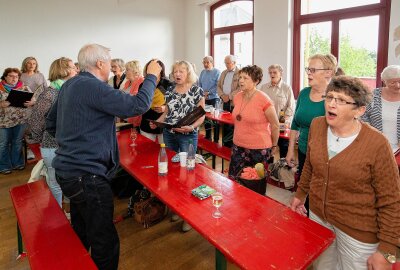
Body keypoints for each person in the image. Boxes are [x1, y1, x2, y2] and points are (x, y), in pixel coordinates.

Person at [46, 43, 161, 270]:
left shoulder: (70, 85)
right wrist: (151, 77)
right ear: (99, 63)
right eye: (108, 62)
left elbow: (51, 123)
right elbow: (137, 105)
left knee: (82, 230)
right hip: (87, 177)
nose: (110, 66)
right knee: (104, 240)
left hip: (68, 172)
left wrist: (77, 140)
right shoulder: (94, 86)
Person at [290, 76, 400, 270]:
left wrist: (387, 249)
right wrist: (301, 194)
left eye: (341, 100)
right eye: (330, 97)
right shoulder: (317, 125)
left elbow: (391, 200)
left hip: (358, 232)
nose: (331, 104)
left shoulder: (377, 144)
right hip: (319, 219)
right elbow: (310, 166)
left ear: (359, 110)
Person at [151, 60, 205, 232]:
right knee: (172, 173)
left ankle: (188, 214)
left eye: (181, 71)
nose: (177, 74)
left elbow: (201, 115)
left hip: (187, 135)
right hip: (169, 134)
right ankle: (177, 208)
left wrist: (192, 127)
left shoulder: (197, 90)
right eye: (175, 71)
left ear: (188, 72)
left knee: (187, 174)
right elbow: (167, 112)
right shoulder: (170, 90)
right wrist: (157, 122)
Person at [285, 54, 337, 214]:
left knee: (321, 193)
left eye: (313, 70)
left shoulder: (335, 97)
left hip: (326, 155)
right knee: (303, 189)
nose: (309, 73)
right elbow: (295, 122)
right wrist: (290, 150)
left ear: (328, 72)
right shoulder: (304, 93)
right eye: (308, 69)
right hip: (303, 150)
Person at [28, 57, 77, 206]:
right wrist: (40, 138)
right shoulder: (50, 93)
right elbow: (36, 120)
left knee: (71, 180)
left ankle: (71, 211)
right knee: (55, 181)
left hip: (70, 145)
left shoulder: (72, 90)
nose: (76, 70)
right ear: (64, 70)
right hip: (52, 145)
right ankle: (58, 216)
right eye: (73, 67)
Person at [228, 65, 279, 181]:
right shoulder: (237, 97)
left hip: (258, 149)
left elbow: (275, 125)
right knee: (234, 180)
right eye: (240, 77)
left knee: (254, 185)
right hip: (238, 146)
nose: (241, 81)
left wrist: (274, 146)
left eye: (245, 78)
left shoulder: (264, 99)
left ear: (256, 81)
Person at [0, 68, 35, 174]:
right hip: (3, 122)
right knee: (3, 144)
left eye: (16, 76)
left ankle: (18, 163)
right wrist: (1, 104)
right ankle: (4, 165)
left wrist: (31, 103)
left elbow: (33, 99)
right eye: (11, 76)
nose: (14, 78)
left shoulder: (24, 87)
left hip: (21, 121)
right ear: (5, 77)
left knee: (17, 142)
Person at [361, 65, 400, 152]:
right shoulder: (373, 95)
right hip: (375, 146)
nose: (397, 85)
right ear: (384, 81)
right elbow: (363, 116)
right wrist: (371, 136)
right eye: (393, 82)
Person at [260, 64, 295, 158]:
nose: (272, 74)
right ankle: (268, 170)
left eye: (275, 72)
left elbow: (291, 107)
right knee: (267, 152)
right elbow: (260, 106)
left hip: (281, 126)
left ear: (281, 74)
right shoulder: (264, 88)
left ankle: (282, 170)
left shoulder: (286, 88)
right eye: (270, 72)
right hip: (267, 126)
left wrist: (282, 121)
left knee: (283, 151)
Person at [139, 60, 167, 143]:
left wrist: (165, 108)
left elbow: (174, 103)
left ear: (161, 71)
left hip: (163, 124)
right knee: (147, 150)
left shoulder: (168, 84)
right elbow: (141, 102)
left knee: (165, 152)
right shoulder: (143, 85)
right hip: (147, 122)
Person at [217, 55, 240, 147]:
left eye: (228, 63)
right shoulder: (223, 73)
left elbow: (240, 88)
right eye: (225, 63)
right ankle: (225, 144)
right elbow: (218, 85)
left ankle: (233, 145)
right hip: (224, 101)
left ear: (234, 63)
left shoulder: (240, 73)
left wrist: (230, 96)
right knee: (225, 123)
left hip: (234, 103)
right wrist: (222, 95)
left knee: (233, 124)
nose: (226, 65)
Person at [199, 56, 221, 142]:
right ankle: (208, 137)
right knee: (206, 118)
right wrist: (202, 93)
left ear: (212, 62)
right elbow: (199, 84)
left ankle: (216, 139)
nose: (205, 64)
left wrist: (209, 92)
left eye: (207, 62)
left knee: (215, 119)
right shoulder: (202, 72)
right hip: (204, 98)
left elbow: (218, 86)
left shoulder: (217, 72)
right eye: (204, 62)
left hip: (214, 98)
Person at [121, 60, 145, 127]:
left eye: (127, 70)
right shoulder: (127, 83)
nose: (125, 72)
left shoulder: (142, 82)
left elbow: (137, 100)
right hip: (125, 117)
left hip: (135, 119)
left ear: (135, 71)